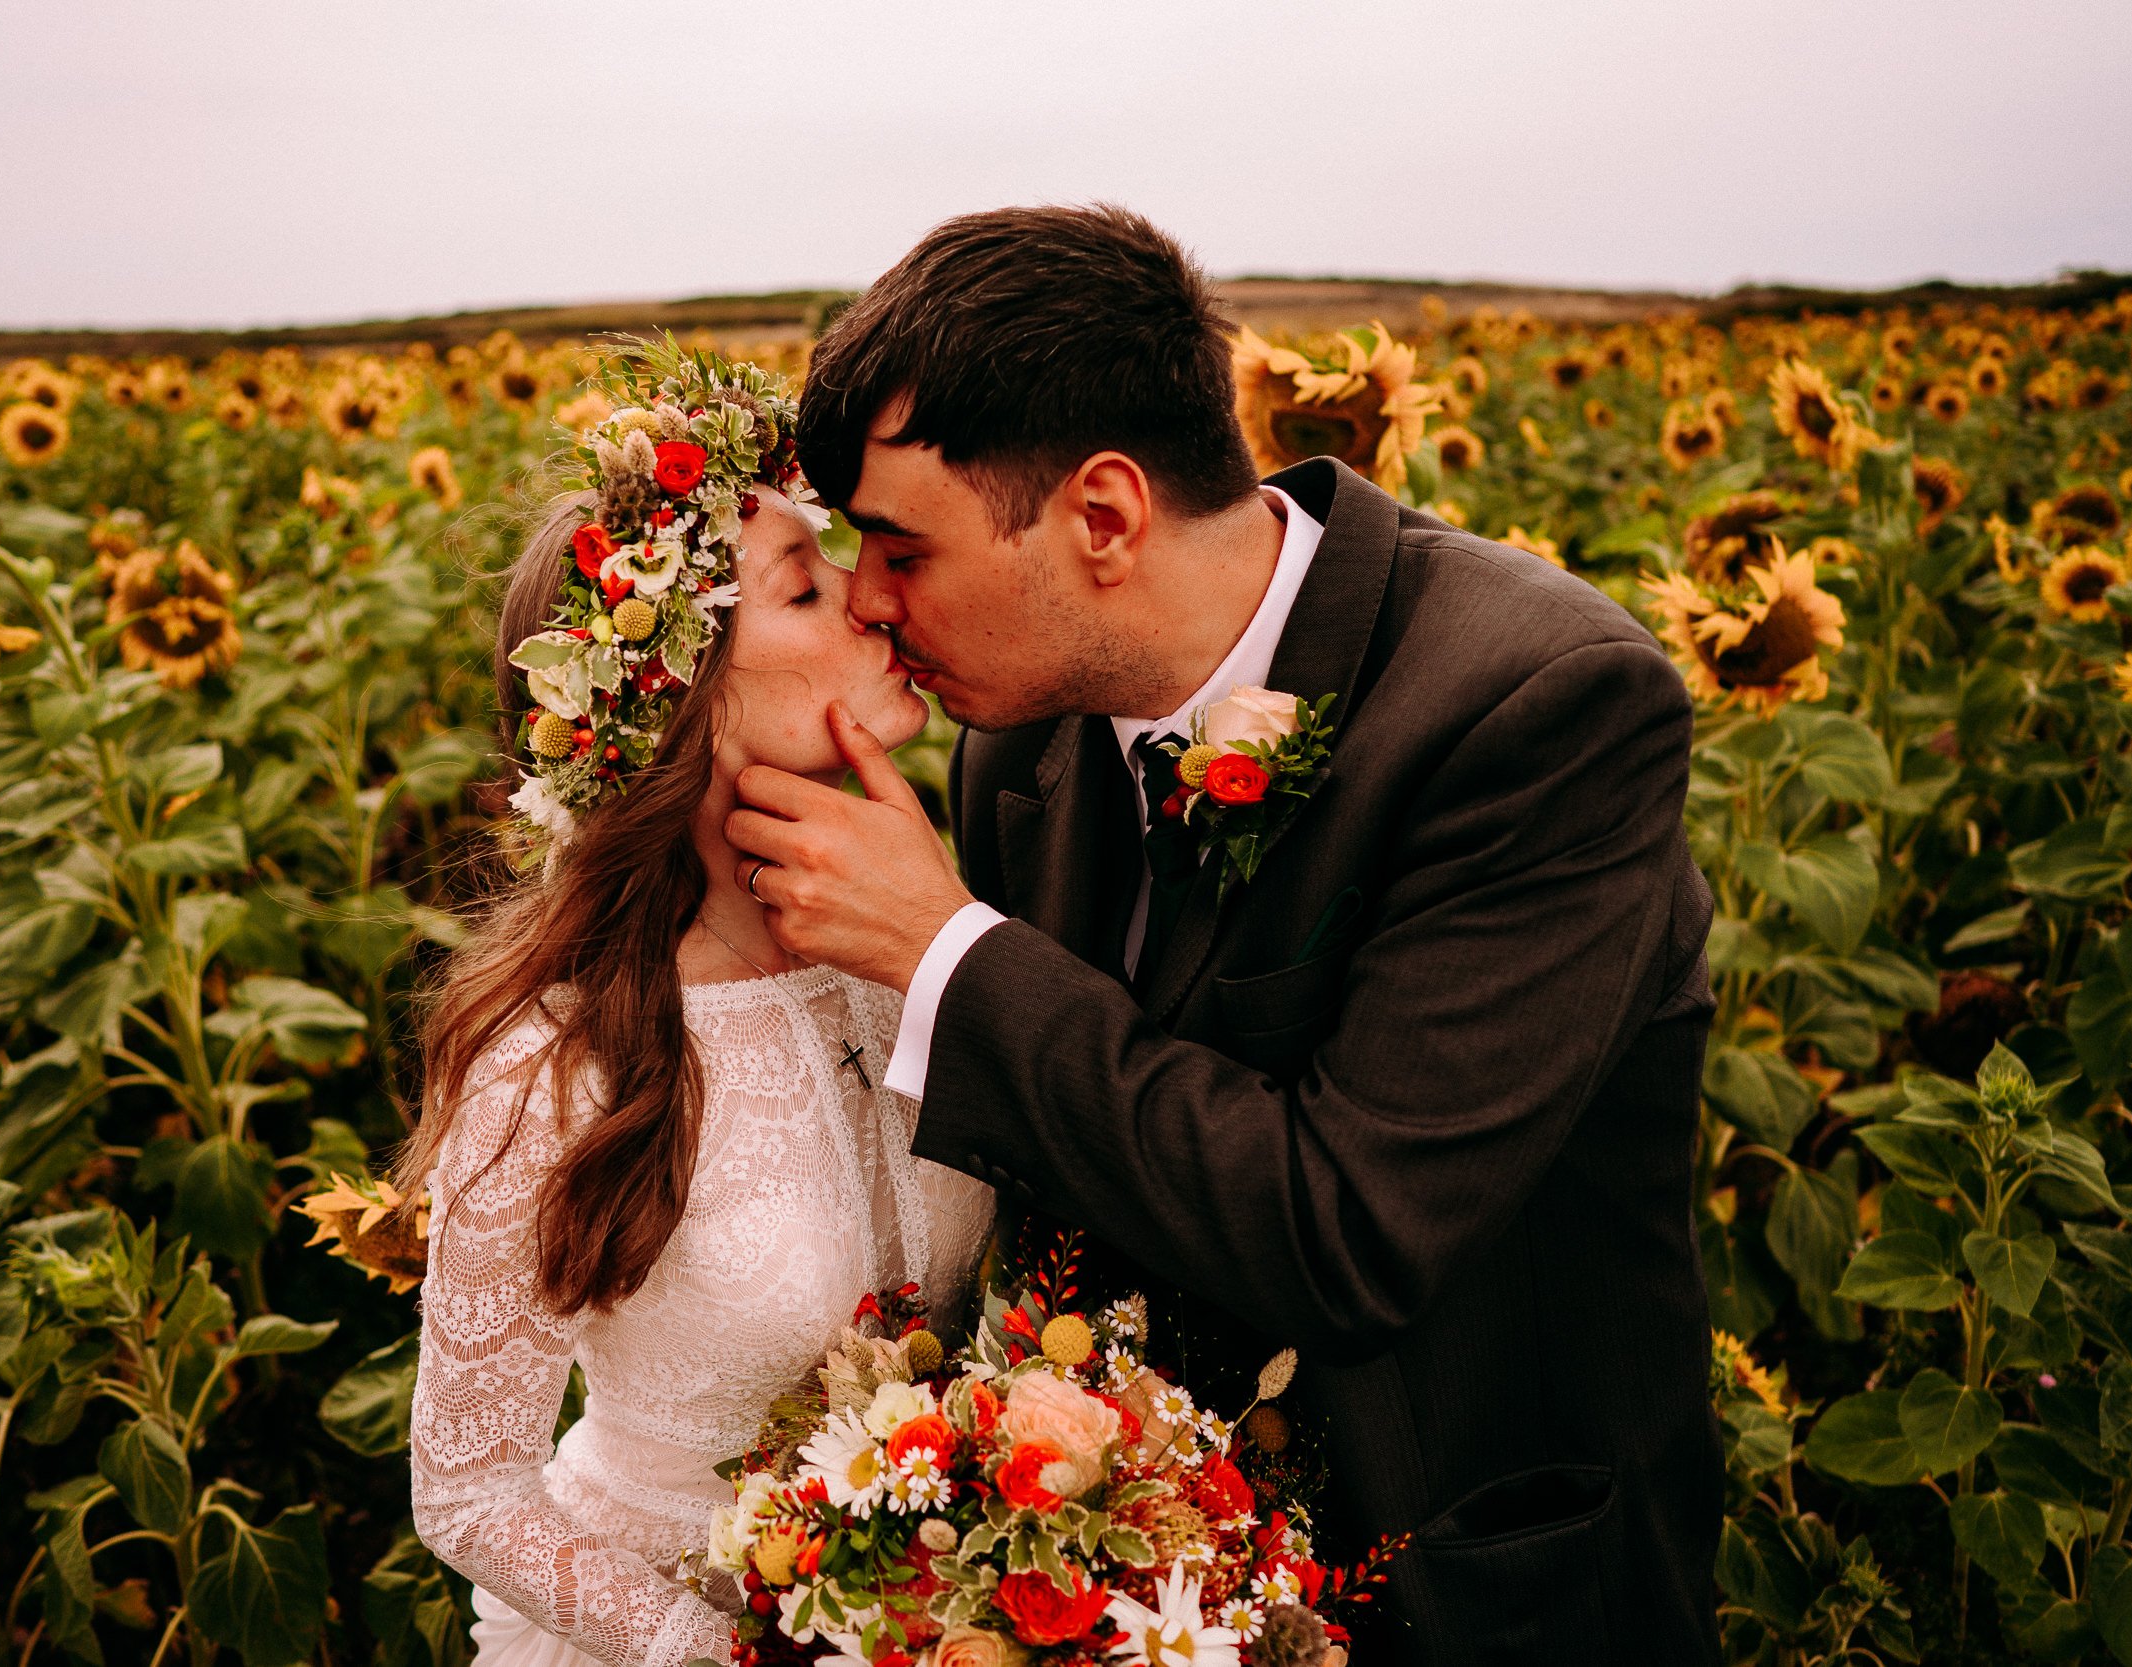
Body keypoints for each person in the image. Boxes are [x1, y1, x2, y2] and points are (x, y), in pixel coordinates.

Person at [723, 207, 1724, 1666]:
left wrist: (945, 953)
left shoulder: (1537, 706)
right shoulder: (1016, 739)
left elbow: (1348, 1231)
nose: (870, 603)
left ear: (1106, 518)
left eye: (897, 546)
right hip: (1132, 1588)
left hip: (1462, 1583)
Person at [399, 343, 995, 1667]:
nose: (872, 598)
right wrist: (713, 1655)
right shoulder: (556, 1062)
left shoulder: (926, 936)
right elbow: (467, 1490)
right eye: (805, 587)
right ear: (689, 699)